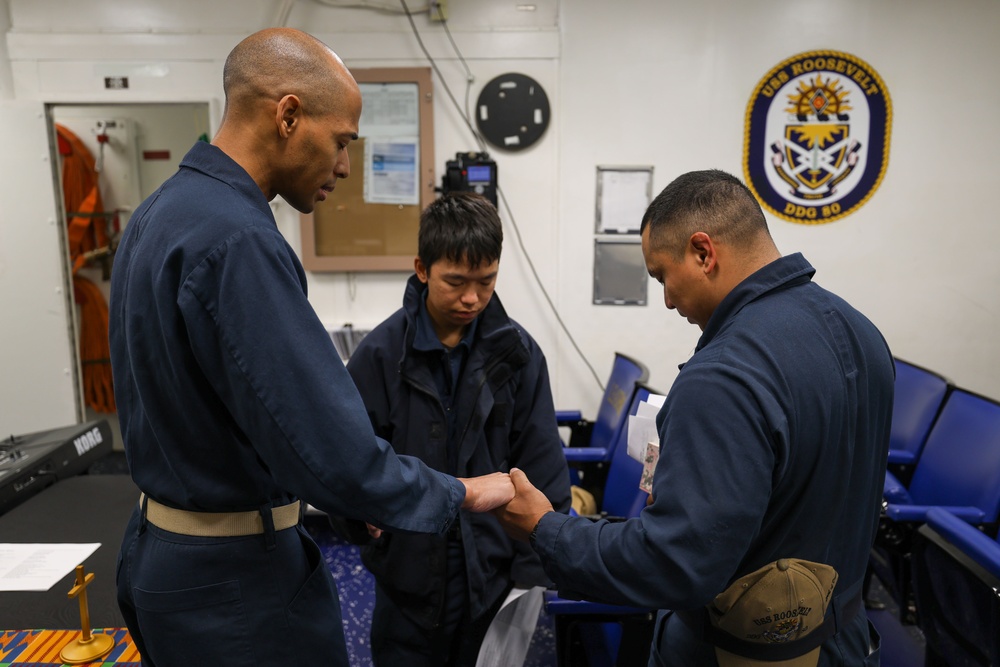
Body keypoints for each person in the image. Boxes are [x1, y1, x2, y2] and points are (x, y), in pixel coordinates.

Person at [108, 28, 513, 667]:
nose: (347, 166)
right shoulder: (238, 240)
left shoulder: (160, 213)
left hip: (163, 554)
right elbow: (335, 457)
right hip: (235, 585)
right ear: (289, 115)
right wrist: (459, 493)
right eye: (342, 141)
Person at [495, 169, 894, 666]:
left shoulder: (723, 375)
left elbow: (675, 564)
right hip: (844, 640)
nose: (666, 299)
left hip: (739, 652)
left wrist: (545, 528)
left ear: (704, 253)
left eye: (662, 275)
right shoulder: (863, 333)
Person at [343, 192, 572, 666]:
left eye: (486, 281)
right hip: (406, 584)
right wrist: (362, 526)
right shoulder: (381, 356)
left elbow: (543, 467)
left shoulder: (520, 357)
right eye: (456, 282)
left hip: (491, 579)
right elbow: (349, 462)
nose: (471, 298)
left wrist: (531, 576)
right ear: (422, 269)